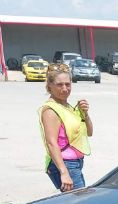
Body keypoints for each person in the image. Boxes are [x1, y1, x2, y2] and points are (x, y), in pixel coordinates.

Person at [39, 62, 93, 192]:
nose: (64, 89)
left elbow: (89, 132)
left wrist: (85, 113)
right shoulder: (51, 110)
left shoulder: (69, 107)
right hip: (66, 164)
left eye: (67, 84)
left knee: (75, 203)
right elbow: (51, 143)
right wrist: (63, 172)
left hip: (76, 163)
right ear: (49, 86)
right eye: (59, 85)